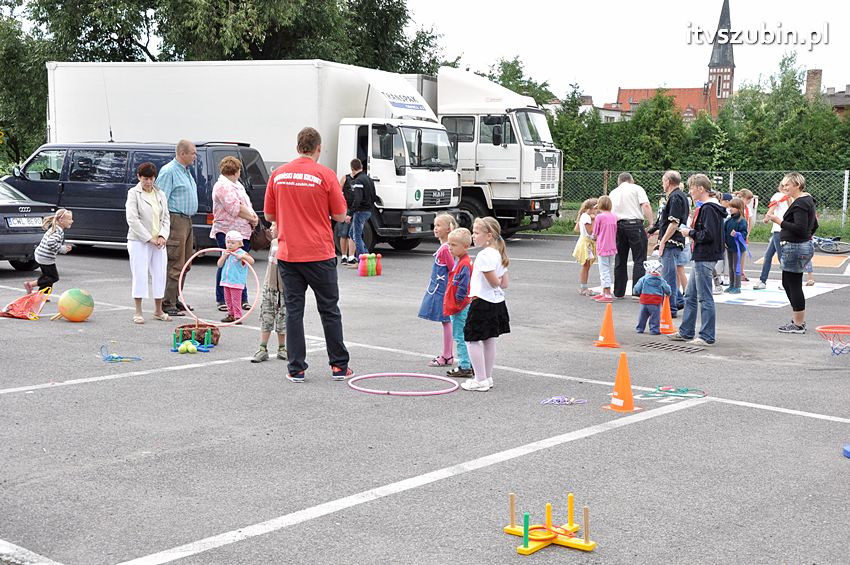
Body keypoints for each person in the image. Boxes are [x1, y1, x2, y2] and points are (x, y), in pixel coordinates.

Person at [264, 127, 351, 383]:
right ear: (318, 148)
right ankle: (338, 366)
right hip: (319, 252)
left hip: (289, 253)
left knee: (294, 311)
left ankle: (296, 368)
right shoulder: (325, 174)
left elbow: (269, 215)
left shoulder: (278, 174)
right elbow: (338, 214)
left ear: (297, 146)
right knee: (329, 310)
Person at [669, 174, 725, 346]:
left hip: (705, 255)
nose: (690, 191)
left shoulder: (708, 209)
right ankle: (686, 331)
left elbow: (708, 234)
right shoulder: (710, 207)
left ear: (701, 189)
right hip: (703, 255)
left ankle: (707, 336)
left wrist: (690, 233)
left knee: (704, 297)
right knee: (691, 295)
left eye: (692, 188)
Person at [461, 217, 510, 392]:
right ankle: (486, 377)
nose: (473, 236)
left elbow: (495, 283)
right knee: (489, 340)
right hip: (496, 302)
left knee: (471, 339)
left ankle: (480, 379)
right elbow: (504, 283)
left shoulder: (484, 255)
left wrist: (493, 279)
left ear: (489, 235)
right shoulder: (499, 253)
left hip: (482, 302)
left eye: (476, 233)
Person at [764, 172, 818, 334]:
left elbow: (801, 228)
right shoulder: (806, 201)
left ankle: (798, 324)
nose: (784, 187)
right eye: (783, 184)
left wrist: (779, 221)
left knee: (792, 284)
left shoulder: (800, 203)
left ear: (797, 185)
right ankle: (797, 320)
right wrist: (808, 237)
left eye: (788, 184)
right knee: (788, 283)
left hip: (795, 247)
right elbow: (814, 225)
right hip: (799, 245)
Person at [125, 162, 171, 324]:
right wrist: (148, 238)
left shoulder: (160, 194)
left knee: (160, 273)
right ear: (139, 177)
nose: (148, 182)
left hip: (158, 242)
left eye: (151, 178)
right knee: (140, 274)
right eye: (145, 178)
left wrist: (162, 236)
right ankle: (138, 311)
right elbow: (132, 219)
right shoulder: (133, 193)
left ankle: (158, 310)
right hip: (139, 241)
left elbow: (165, 217)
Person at [211, 156, 258, 312]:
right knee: (226, 264)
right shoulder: (223, 186)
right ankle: (222, 298)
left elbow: (244, 204)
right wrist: (253, 218)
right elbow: (235, 208)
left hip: (242, 231)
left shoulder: (237, 185)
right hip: (227, 232)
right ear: (236, 171)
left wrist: (252, 218)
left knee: (240, 263)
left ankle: (241, 297)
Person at [158, 139, 198, 316]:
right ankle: (167, 302)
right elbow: (161, 200)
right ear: (182, 153)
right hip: (175, 220)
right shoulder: (169, 171)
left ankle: (175, 297)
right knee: (175, 262)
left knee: (186, 262)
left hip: (186, 220)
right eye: (193, 153)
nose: (195, 156)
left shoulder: (185, 171)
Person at [419, 213, 457, 366]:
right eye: (434, 225)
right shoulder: (445, 247)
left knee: (446, 320)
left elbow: (453, 269)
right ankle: (447, 354)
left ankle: (447, 355)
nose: (435, 228)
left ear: (449, 229)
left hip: (443, 290)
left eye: (439, 225)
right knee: (445, 321)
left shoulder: (445, 249)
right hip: (440, 289)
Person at [609, 172, 653, 298]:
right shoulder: (637, 188)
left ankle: (619, 291)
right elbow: (645, 205)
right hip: (634, 225)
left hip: (618, 226)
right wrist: (651, 224)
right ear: (631, 180)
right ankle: (636, 291)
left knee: (620, 259)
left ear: (619, 181)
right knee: (639, 258)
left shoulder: (613, 192)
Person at [655, 170, 689, 318]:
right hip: (674, 241)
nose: (662, 184)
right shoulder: (680, 196)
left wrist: (662, 241)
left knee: (668, 276)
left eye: (663, 181)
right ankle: (679, 300)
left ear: (668, 182)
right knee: (671, 273)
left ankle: (670, 308)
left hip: (671, 242)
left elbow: (674, 222)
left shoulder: (675, 197)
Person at [251, 223, 286, 363]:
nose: (270, 229)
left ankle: (282, 348)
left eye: (274, 226)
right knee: (266, 316)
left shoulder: (287, 243)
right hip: (269, 286)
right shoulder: (273, 242)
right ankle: (262, 348)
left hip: (284, 288)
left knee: (283, 317)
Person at [443, 227, 474, 378]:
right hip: (457, 306)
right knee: (462, 335)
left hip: (459, 307)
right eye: (449, 244)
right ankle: (470, 362)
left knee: (460, 336)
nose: (450, 248)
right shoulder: (460, 261)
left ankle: (464, 365)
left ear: (466, 246)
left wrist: (457, 302)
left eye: (454, 245)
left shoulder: (465, 263)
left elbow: (463, 286)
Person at [24, 209, 73, 295]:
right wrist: (62, 249)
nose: (72, 221)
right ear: (61, 220)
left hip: (41, 255)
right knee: (53, 277)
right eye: (69, 219)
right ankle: (31, 284)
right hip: (45, 257)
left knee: (47, 276)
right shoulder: (58, 231)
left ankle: (42, 295)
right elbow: (50, 242)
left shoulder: (55, 228)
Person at [753, 182, 789, 290]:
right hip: (780, 229)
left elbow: (771, 209)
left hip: (779, 230)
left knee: (780, 256)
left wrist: (766, 218)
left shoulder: (778, 196)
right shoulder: (790, 198)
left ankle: (786, 282)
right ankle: (762, 280)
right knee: (768, 256)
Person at [217, 230, 255, 323]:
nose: (229, 245)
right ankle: (231, 315)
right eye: (228, 242)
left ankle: (238, 317)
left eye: (233, 243)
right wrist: (224, 256)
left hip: (236, 282)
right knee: (228, 300)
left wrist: (243, 257)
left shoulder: (242, 252)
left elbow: (252, 261)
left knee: (236, 300)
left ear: (240, 243)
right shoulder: (225, 252)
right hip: (226, 281)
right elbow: (219, 265)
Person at [347, 158, 376, 261]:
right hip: (368, 210)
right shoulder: (369, 179)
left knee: (357, 236)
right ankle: (367, 255)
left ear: (352, 169)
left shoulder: (358, 180)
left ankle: (361, 260)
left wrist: (350, 213)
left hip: (360, 211)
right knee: (352, 234)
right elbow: (374, 195)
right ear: (361, 167)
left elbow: (357, 199)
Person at [633, 259, 671, 335]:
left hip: (645, 300)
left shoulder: (643, 279)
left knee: (642, 316)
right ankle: (654, 330)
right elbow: (667, 289)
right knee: (655, 317)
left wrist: (636, 292)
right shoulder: (661, 280)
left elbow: (637, 288)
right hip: (655, 301)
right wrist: (668, 293)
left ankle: (640, 328)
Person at [591, 195, 617, 303]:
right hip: (612, 246)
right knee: (608, 268)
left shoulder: (599, 217)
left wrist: (592, 237)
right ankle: (604, 291)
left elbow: (595, 233)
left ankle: (607, 293)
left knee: (603, 270)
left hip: (602, 246)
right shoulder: (614, 216)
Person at [571, 198, 598, 296]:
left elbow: (577, 229)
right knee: (585, 266)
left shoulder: (584, 216)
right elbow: (590, 231)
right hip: (586, 243)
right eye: (596, 208)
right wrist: (594, 219)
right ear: (591, 208)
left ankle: (584, 287)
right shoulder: (587, 217)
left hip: (587, 241)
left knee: (587, 266)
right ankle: (583, 288)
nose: (598, 211)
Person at [723, 197, 749, 294]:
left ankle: (737, 286)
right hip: (729, 247)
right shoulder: (729, 220)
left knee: (736, 267)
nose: (730, 209)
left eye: (733, 207)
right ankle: (731, 284)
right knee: (730, 267)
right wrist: (724, 241)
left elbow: (744, 233)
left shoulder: (742, 221)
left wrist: (738, 234)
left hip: (737, 248)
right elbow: (724, 232)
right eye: (730, 206)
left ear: (739, 208)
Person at [735, 189, 755, 281]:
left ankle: (741, 272)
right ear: (742, 198)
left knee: (743, 253)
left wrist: (748, 233)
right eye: (748, 200)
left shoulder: (747, 208)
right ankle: (733, 273)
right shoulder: (735, 207)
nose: (749, 202)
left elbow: (750, 222)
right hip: (735, 234)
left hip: (743, 234)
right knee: (734, 254)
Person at [335, 170, 355, 265]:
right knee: (343, 233)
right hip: (345, 208)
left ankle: (351, 256)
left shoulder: (360, 179)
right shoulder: (345, 178)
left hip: (355, 209)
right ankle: (344, 256)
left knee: (353, 234)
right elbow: (338, 192)